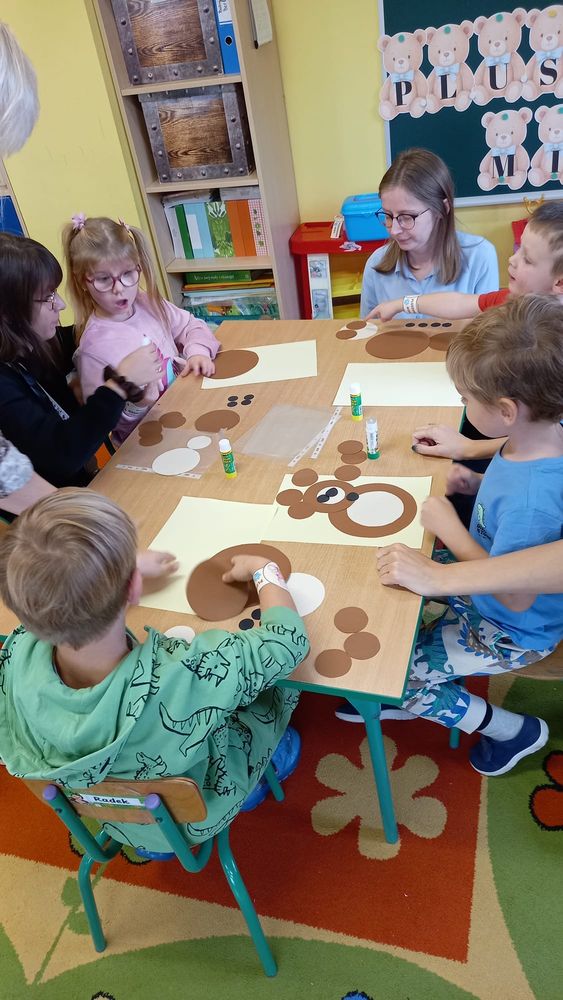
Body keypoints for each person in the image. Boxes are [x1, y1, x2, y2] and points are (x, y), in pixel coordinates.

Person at [0, 490, 309, 850]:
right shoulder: (185, 674)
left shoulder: (14, 655)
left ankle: (150, 837)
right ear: (135, 588)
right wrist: (262, 569)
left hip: (119, 818)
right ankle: (257, 779)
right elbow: (287, 642)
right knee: (275, 689)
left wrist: (111, 571)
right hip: (201, 810)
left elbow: (61, 592)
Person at [338, 295, 563, 777]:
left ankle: (511, 731)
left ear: (507, 410)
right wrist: (476, 484)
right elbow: (516, 512)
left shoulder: (532, 502)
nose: (462, 404)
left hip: (511, 629)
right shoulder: (540, 437)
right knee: (382, 574)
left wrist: (452, 530)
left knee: (392, 675)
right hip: (488, 583)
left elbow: (514, 595)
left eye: (465, 398)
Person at [0, 232, 163, 496]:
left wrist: (116, 319)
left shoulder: (33, 343)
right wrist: (120, 384)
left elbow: (88, 337)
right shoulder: (4, 387)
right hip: (58, 504)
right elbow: (62, 454)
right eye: (47, 297)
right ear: (8, 312)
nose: (61, 304)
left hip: (89, 481)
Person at [65, 215, 220, 444]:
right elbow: (103, 424)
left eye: (128, 274)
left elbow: (190, 325)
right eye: (103, 279)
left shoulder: (146, 302)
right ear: (82, 282)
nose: (119, 289)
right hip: (148, 442)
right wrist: (139, 405)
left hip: (187, 410)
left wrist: (198, 352)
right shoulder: (93, 349)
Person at [372, 199, 563, 325]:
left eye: (527, 259)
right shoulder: (511, 299)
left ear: (559, 282)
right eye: (518, 249)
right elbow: (459, 303)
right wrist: (403, 303)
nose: (512, 259)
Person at [359, 149, 498, 320]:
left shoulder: (480, 256)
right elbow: (368, 329)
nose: (394, 230)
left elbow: (488, 330)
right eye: (387, 215)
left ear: (442, 209)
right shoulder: (376, 264)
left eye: (407, 217)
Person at [377, 540, 563, 597]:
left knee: (398, 666)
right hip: (469, 574)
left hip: (504, 627)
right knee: (388, 568)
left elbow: (514, 599)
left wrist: (436, 577)